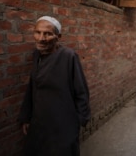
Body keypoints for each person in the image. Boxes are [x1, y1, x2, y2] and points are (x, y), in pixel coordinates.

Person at [18, 16, 91, 156]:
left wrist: (78, 122)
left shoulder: (69, 56)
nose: (41, 38)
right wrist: (26, 116)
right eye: (37, 32)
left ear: (58, 36)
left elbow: (81, 91)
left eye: (48, 34)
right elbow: (32, 86)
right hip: (40, 120)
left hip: (63, 122)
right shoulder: (37, 55)